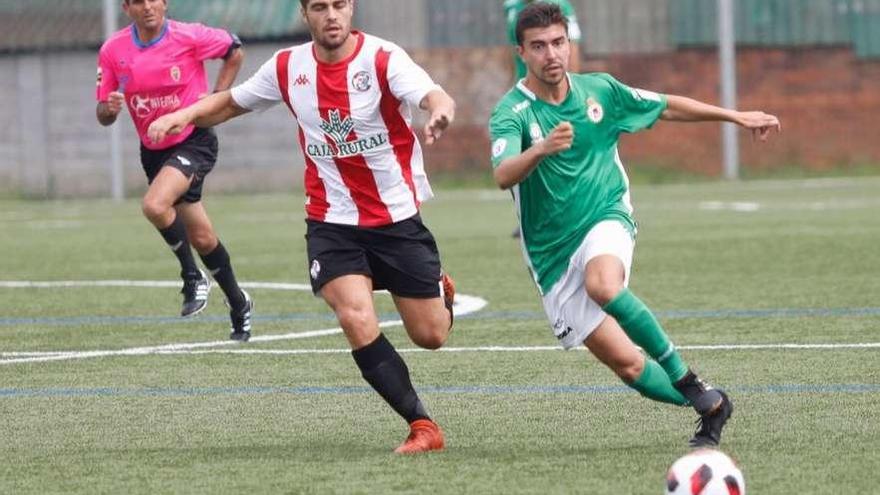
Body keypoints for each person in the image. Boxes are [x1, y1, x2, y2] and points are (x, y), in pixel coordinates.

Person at [147, 0, 456, 454]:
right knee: (353, 315)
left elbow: (434, 95)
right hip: (330, 221)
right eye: (319, 7)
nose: (330, 15)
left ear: (350, 9)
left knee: (430, 336)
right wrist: (184, 115)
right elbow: (232, 104)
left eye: (338, 5)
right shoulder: (288, 66)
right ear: (304, 13)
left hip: (395, 220)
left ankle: (441, 294)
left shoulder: (383, 58)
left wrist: (440, 111)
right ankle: (422, 424)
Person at [489, 3, 781, 446]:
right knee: (628, 367)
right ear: (521, 52)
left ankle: (687, 380)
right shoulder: (512, 111)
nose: (551, 54)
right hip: (551, 256)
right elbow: (502, 173)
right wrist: (541, 149)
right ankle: (712, 405)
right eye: (539, 46)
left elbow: (665, 106)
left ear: (570, 43)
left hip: (606, 215)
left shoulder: (599, 91)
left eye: (558, 43)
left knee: (603, 284)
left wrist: (736, 117)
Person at [95, 0, 253, 341]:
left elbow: (234, 48)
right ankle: (239, 303)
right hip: (154, 154)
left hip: (193, 141)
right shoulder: (113, 50)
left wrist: (216, 99)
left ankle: (191, 276)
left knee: (154, 205)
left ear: (165, 3)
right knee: (202, 238)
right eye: (138, 1)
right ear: (126, 7)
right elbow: (103, 115)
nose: (147, 6)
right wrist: (108, 108)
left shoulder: (189, 36)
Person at [505, 0, 580, 239]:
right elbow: (514, 54)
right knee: (524, 156)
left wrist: (571, 93)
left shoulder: (560, 8)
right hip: (527, 96)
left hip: (555, 94)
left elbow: (572, 50)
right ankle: (530, 217)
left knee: (566, 153)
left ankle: (586, 211)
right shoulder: (511, 8)